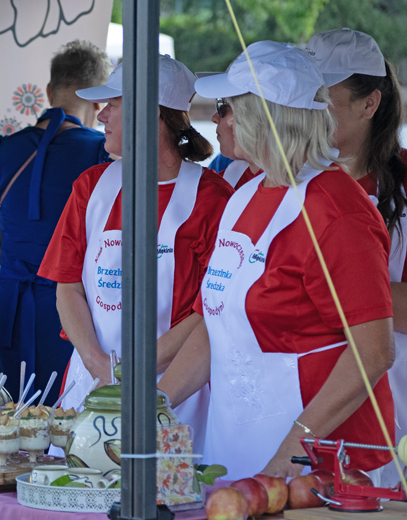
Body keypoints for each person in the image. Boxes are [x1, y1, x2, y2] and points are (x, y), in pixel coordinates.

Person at [158, 41, 395, 480]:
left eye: (227, 108)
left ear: (260, 118)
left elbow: (374, 353)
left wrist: (283, 463)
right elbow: (218, 326)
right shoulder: (246, 193)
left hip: (320, 465)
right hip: (237, 446)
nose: (216, 118)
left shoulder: (337, 209)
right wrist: (147, 408)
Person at [38, 56, 233, 453]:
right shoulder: (90, 186)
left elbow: (208, 311)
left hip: (177, 393)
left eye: (114, 103)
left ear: (150, 115)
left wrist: (132, 373)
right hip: (91, 384)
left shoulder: (214, 198)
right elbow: (67, 286)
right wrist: (100, 366)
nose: (101, 113)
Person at [0, 40, 112, 405]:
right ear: (99, 100)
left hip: (11, 305)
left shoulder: (4, 150)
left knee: (10, 425)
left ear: (49, 91)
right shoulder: (102, 155)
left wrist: (22, 256)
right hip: (75, 311)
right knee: (69, 422)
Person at [306, 28, 407, 486]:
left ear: (370, 104)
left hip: (399, 403)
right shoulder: (291, 179)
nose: (307, 113)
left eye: (320, 99)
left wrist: (317, 293)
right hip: (308, 403)